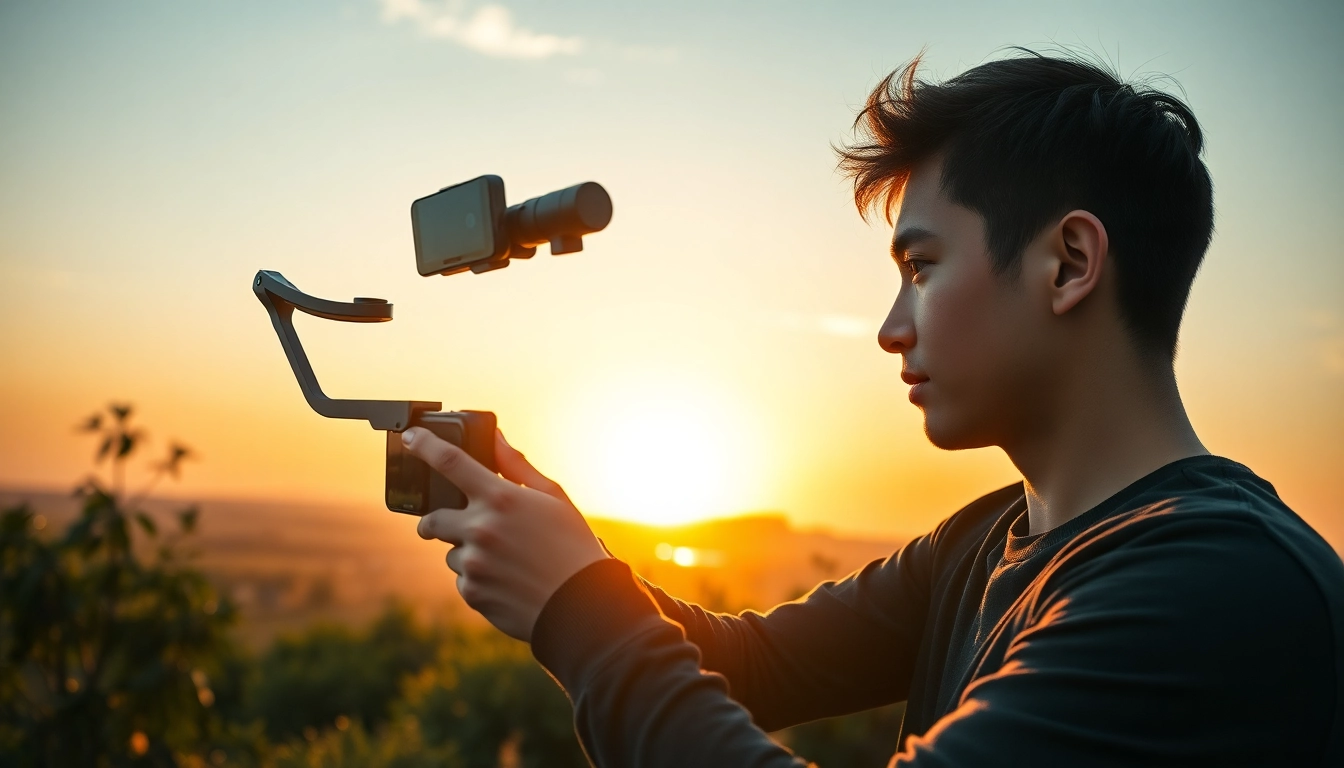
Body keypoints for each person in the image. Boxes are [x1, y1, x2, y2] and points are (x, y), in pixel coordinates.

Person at [398, 50, 1344, 766]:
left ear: (1069, 264)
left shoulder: (1216, 586)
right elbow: (750, 664)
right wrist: (563, 547)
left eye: (922, 268)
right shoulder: (983, 544)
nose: (892, 330)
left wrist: (576, 608)